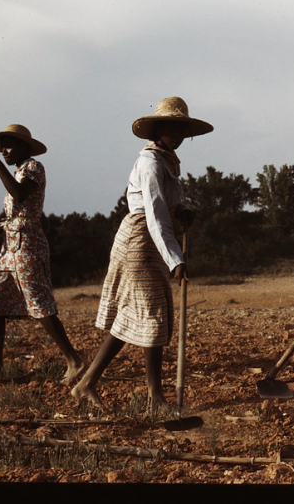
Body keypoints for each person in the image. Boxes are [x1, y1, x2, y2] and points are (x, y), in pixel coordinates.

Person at [71, 97, 213, 415]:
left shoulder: (166, 160)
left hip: (151, 238)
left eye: (181, 128)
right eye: (170, 127)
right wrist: (176, 258)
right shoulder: (150, 162)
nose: (176, 134)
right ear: (157, 128)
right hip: (140, 238)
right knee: (154, 314)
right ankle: (156, 399)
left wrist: (183, 210)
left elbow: (167, 206)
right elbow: (155, 213)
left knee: (136, 316)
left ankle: (87, 383)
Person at [0, 125, 84, 383]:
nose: (4, 151)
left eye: (9, 145)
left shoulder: (34, 168)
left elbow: (20, 195)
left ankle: (74, 361)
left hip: (28, 245)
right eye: (2, 146)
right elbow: (16, 216)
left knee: (38, 302)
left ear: (25, 147)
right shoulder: (17, 172)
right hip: (9, 246)